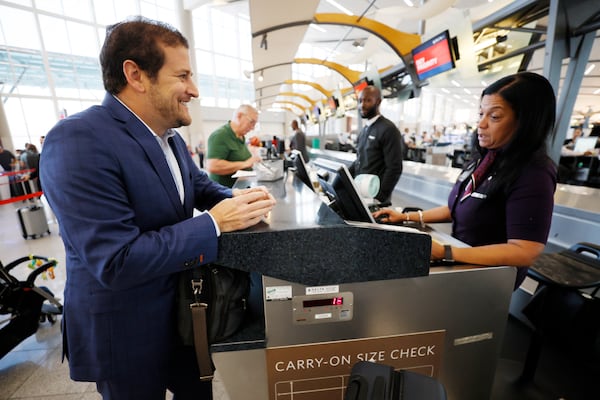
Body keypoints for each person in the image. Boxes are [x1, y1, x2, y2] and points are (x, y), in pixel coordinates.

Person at [39, 17, 276, 400]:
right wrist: (213, 225)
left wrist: (242, 201)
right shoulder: (78, 140)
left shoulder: (170, 140)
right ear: (135, 75)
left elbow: (199, 187)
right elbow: (115, 260)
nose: (193, 90)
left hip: (183, 315)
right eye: (182, 76)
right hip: (125, 329)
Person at [373, 72, 557, 289]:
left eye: (494, 117)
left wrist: (447, 252)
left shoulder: (533, 173)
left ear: (525, 121)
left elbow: (525, 251)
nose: (481, 124)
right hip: (463, 264)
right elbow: (459, 207)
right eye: (481, 114)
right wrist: (406, 217)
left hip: (488, 281)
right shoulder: (488, 159)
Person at [348, 85, 403, 205]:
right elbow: (360, 160)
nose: (362, 105)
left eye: (368, 100)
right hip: (361, 194)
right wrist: (344, 177)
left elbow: (394, 168)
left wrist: (380, 197)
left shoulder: (388, 129)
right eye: (360, 100)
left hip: (375, 198)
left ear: (378, 102)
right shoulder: (365, 130)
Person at [206, 104, 262, 187]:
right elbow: (213, 166)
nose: (253, 128)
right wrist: (246, 163)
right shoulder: (220, 135)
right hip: (224, 192)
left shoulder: (241, 136)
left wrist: (253, 159)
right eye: (251, 122)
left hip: (240, 187)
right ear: (239, 116)